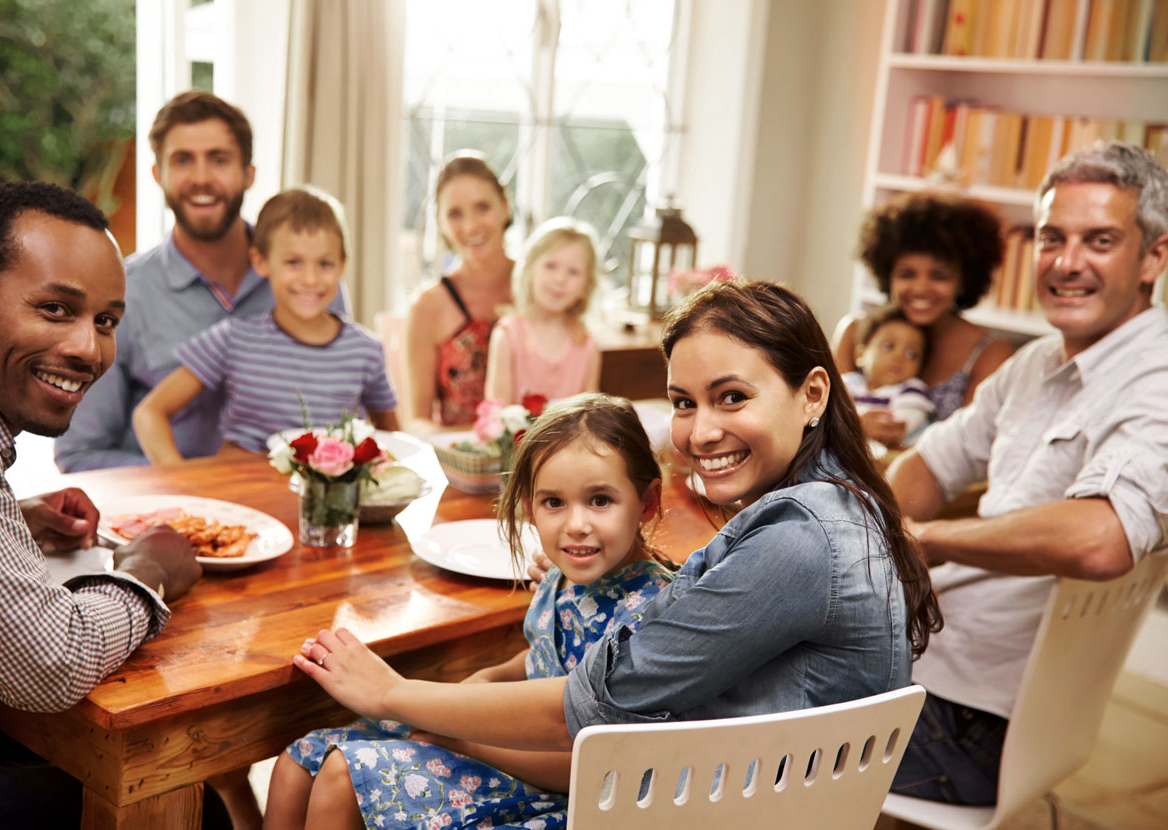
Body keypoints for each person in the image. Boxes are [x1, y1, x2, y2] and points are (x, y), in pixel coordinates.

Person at [282, 281, 942, 798]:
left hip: (688, 810)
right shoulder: (842, 511)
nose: (700, 431)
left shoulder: (801, 541)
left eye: (732, 397)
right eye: (683, 403)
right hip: (748, 799)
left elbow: (593, 703)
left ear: (811, 395)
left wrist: (392, 693)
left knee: (362, 762)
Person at [887, 141, 1168, 805]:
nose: (1066, 264)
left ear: (1154, 256)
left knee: (720, 712)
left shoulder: (1156, 380)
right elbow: (928, 460)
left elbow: (1101, 538)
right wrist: (885, 525)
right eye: (1051, 239)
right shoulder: (1033, 363)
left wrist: (928, 539)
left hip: (973, 725)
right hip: (927, 674)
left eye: (1098, 240)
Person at [0, 181, 203, 829]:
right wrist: (147, 571)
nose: (87, 348)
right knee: (175, 799)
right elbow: (47, 664)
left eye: (105, 321)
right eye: (55, 309)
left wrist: (9, 519)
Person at [262, 394, 674, 829]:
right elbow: (546, 657)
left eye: (600, 500)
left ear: (646, 502)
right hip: (509, 742)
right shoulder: (564, 572)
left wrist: (466, 740)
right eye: (553, 502)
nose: (575, 524)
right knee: (297, 762)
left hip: (563, 793)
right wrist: (493, 677)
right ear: (530, 506)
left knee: (344, 775)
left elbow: (592, 765)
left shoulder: (649, 615)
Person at [54, 90, 347, 472]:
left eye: (219, 159)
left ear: (249, 173)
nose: (202, 178)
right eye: (183, 160)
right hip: (167, 513)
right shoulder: (120, 294)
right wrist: (196, 489)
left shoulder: (311, 281)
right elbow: (81, 454)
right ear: (158, 175)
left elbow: (343, 420)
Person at [132, 186, 398, 463]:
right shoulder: (232, 338)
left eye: (325, 264)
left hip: (327, 502)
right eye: (293, 262)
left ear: (342, 266)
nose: (310, 279)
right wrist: (182, 482)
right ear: (260, 262)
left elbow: (393, 443)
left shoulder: (366, 351)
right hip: (238, 494)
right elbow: (149, 413)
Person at [833, 193, 1014, 446]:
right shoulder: (855, 333)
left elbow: (970, 448)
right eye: (907, 274)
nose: (921, 288)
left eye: (939, 276)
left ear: (964, 280)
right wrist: (855, 429)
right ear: (888, 274)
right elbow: (820, 420)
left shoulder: (989, 355)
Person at [404, 152, 514, 432]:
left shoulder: (543, 288)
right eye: (455, 213)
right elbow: (417, 421)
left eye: (482, 207)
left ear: (505, 207)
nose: (471, 226)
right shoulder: (427, 306)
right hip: (460, 462)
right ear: (440, 223)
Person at [485, 217, 602, 403]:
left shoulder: (587, 345)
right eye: (551, 266)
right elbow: (497, 412)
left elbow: (590, 414)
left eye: (573, 272)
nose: (560, 279)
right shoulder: (507, 335)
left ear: (586, 286)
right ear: (529, 270)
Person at [842, 305, 935, 441]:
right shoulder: (847, 384)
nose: (899, 357)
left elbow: (896, 428)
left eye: (912, 354)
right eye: (888, 346)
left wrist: (847, 425)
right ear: (860, 355)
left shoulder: (910, 390)